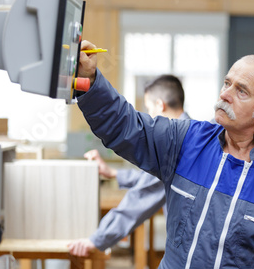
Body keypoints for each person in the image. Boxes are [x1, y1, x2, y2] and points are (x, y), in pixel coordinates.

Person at [76, 40, 254, 269]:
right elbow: (127, 126)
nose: (226, 94)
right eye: (227, 83)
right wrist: (91, 81)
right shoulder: (185, 141)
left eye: (241, 90)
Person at [68, 75, 190, 257]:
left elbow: (141, 196)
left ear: (160, 105)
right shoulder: (192, 133)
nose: (150, 116)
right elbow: (154, 179)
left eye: (149, 109)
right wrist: (114, 173)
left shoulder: (177, 144)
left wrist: (97, 240)